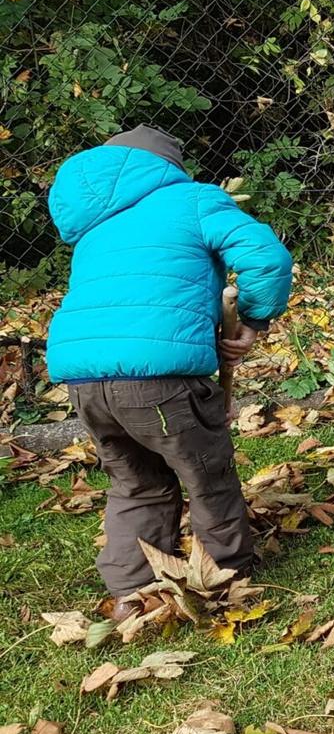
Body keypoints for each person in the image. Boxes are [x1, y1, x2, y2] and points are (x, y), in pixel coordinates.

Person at [44, 125, 293, 615]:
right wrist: (253, 320)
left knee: (135, 483)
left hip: (84, 382)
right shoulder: (193, 199)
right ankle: (223, 579)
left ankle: (129, 595)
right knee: (206, 475)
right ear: (169, 167)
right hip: (163, 379)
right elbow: (266, 257)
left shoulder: (94, 226)